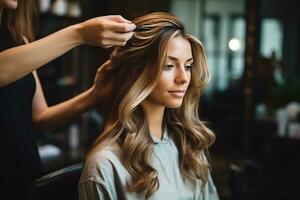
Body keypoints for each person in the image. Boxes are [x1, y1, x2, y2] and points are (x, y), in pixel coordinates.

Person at [0, 0, 136, 199]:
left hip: (24, 182)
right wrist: (79, 33)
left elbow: (39, 118)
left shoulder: (17, 40)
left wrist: (95, 94)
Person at [79, 12, 219, 200]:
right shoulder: (105, 165)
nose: (183, 78)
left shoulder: (190, 148)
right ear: (137, 72)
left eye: (187, 66)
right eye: (168, 66)